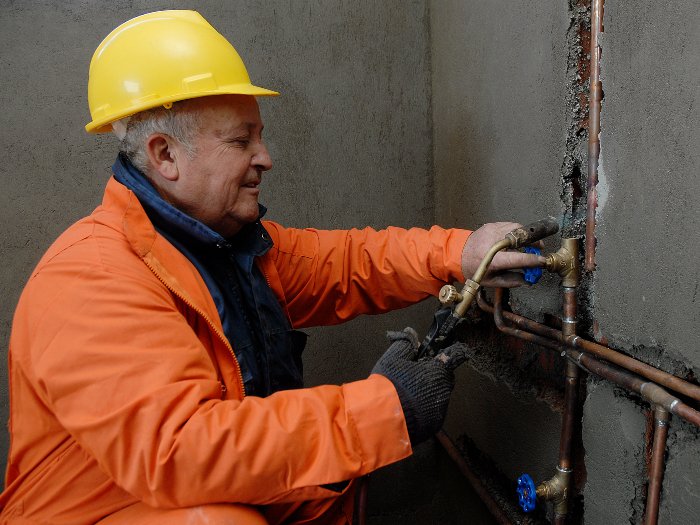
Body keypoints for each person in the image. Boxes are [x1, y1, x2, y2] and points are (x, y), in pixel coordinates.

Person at [0, 10, 543, 525]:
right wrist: (385, 408)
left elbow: (346, 264)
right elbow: (182, 451)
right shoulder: (91, 279)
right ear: (165, 156)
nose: (265, 157)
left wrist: (460, 252)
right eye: (241, 140)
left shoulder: (220, 247)